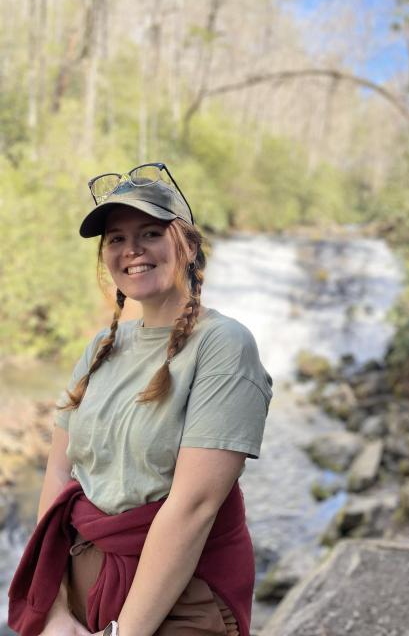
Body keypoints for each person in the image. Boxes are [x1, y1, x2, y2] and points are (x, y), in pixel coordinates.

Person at [8, 163, 273, 636]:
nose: (131, 249)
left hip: (181, 601)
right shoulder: (101, 348)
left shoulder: (223, 345)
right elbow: (56, 469)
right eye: (115, 238)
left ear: (188, 245)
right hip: (78, 588)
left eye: (150, 232)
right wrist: (52, 608)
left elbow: (194, 507)